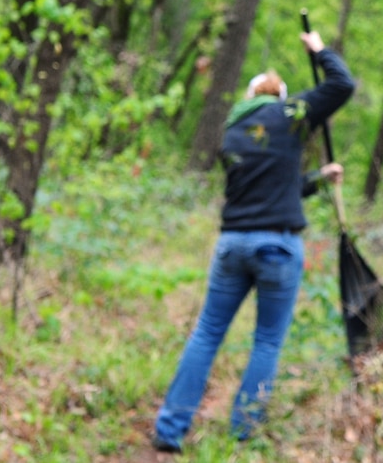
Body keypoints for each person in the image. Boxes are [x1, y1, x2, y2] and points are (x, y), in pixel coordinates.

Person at [152, 31, 355, 453]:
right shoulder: (291, 113)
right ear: (280, 97)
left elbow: (273, 187)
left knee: (206, 333)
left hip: (232, 245)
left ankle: (169, 429)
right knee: (266, 341)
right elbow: (342, 86)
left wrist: (317, 181)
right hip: (277, 247)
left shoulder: (232, 130)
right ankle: (241, 436)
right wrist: (319, 50)